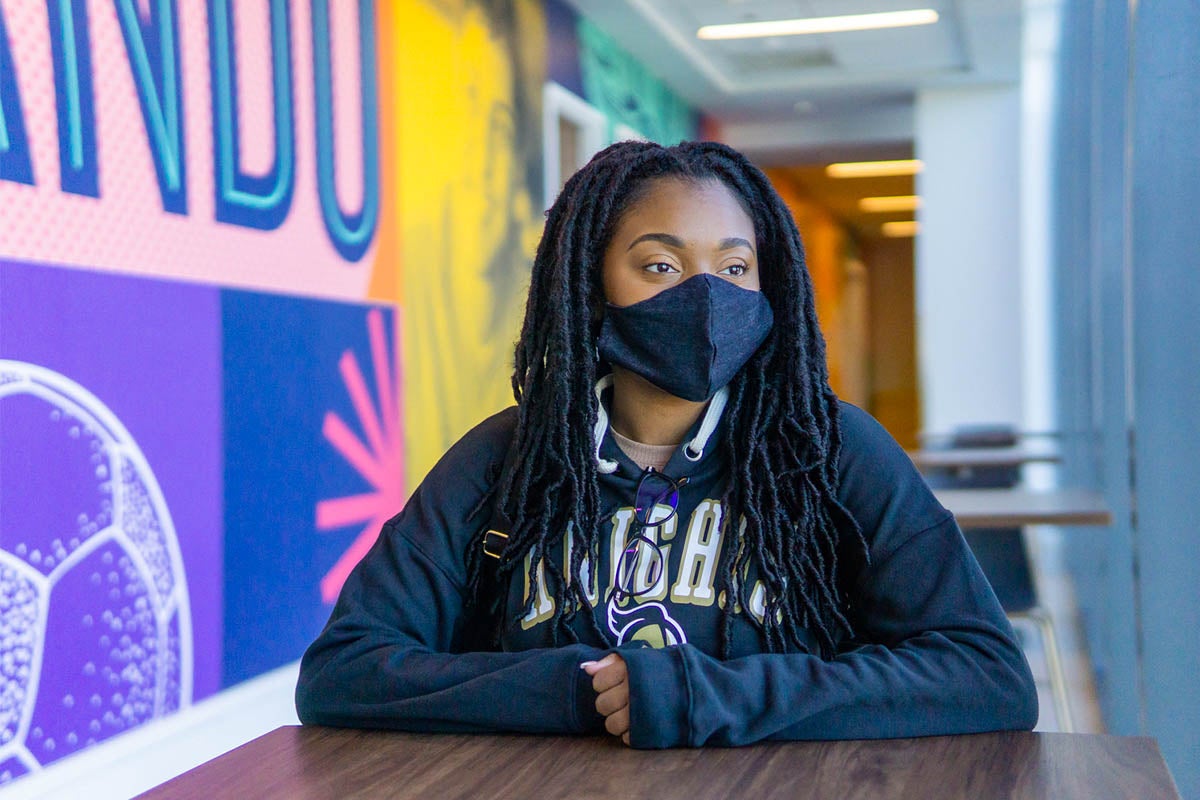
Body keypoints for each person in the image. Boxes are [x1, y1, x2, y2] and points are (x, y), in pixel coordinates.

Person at [295, 140, 1038, 748]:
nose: (706, 296)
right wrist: (580, 687)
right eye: (661, 265)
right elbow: (343, 671)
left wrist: (706, 694)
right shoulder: (504, 461)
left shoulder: (831, 451)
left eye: (735, 267)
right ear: (590, 283)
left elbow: (986, 671)